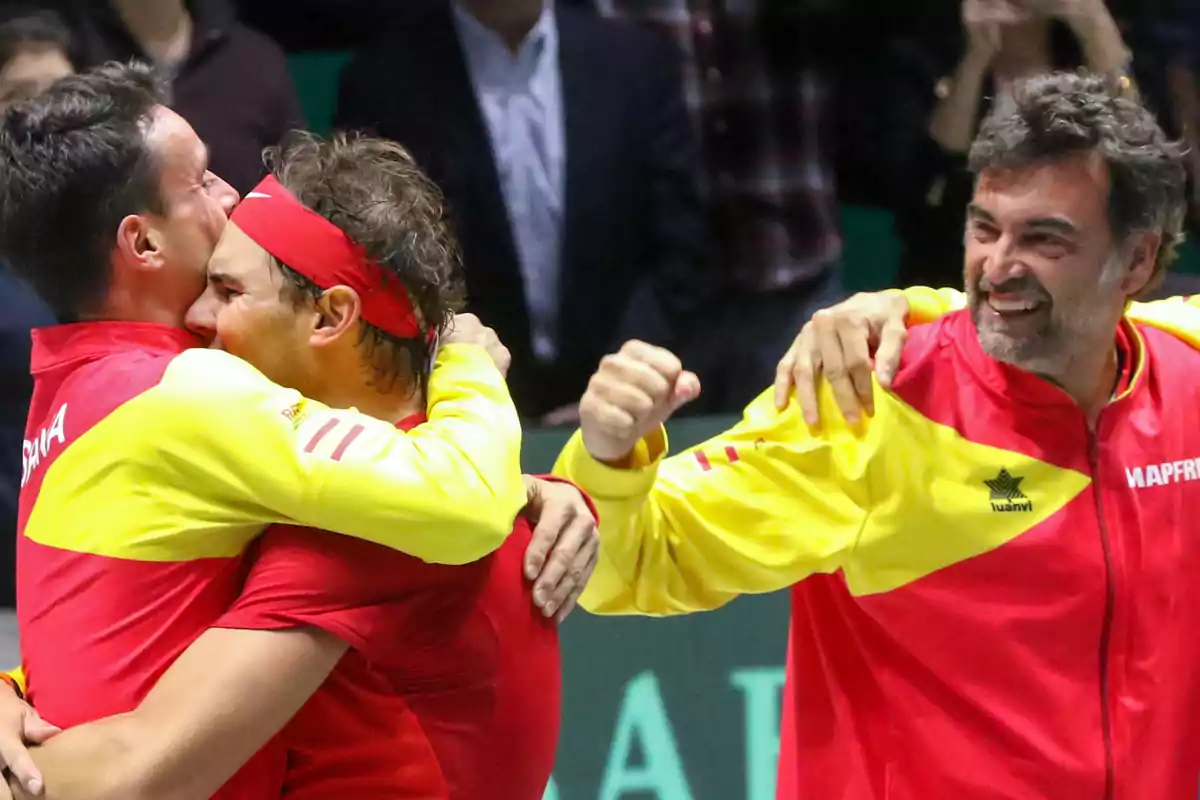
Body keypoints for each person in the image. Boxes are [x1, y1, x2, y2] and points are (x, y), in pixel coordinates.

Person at [552, 71, 1200, 797]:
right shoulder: (872, 404)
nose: (999, 268)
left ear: (1138, 262)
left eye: (1045, 239)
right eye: (985, 228)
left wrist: (914, 299)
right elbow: (636, 563)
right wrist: (608, 455)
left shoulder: (1187, 374)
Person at [0, 61, 594, 796]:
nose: (231, 195)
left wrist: (529, 484)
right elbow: (463, 494)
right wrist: (466, 363)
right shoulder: (183, 394)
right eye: (203, 180)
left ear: (332, 316)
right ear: (142, 244)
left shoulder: (71, 389)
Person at [0, 8, 71, 609]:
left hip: (91, 550)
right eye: (18, 97)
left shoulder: (110, 227)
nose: (42, 117)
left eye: (60, 94)